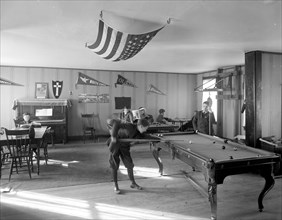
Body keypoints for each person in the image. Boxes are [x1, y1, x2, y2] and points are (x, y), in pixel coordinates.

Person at [106, 118, 159, 194]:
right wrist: (113, 136)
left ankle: (133, 183)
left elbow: (146, 136)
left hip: (124, 146)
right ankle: (116, 185)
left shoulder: (138, 132)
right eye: (145, 128)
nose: (145, 130)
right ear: (140, 126)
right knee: (114, 165)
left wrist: (158, 139)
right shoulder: (130, 127)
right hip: (115, 145)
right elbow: (116, 123)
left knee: (129, 165)